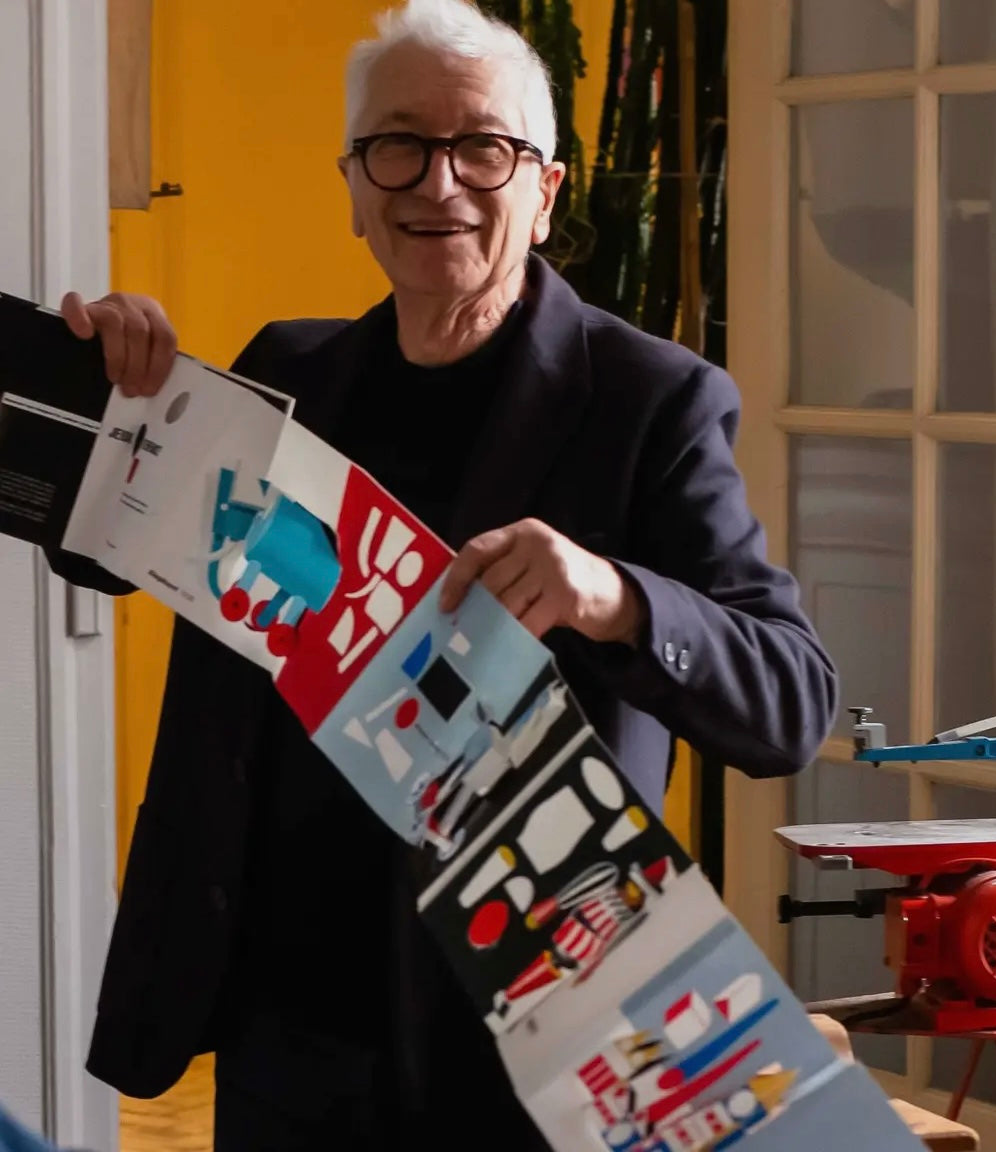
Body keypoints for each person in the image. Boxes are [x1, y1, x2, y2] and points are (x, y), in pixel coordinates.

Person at [46, 0, 838, 1147]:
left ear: (547, 188)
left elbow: (791, 705)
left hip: (526, 1031)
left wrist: (615, 599)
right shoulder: (292, 369)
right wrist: (99, 400)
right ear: (354, 184)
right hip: (288, 1024)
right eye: (397, 146)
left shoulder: (647, 402)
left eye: (484, 147)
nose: (438, 183)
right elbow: (115, 544)